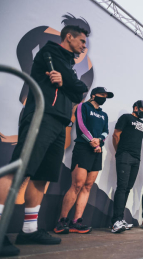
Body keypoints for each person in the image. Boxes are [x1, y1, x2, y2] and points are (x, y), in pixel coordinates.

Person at [0, 25, 88, 256]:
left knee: (42, 177)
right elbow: (75, 86)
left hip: (59, 123)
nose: (83, 46)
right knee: (18, 171)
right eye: (81, 41)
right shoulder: (51, 52)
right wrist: (70, 84)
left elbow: (80, 91)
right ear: (68, 37)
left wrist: (68, 83)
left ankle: (29, 230)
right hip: (41, 115)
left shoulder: (68, 64)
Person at [54, 87, 113, 235]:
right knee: (77, 184)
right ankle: (62, 221)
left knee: (87, 186)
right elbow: (80, 126)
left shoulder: (104, 115)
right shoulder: (83, 106)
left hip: (97, 150)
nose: (104, 97)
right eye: (102, 95)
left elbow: (106, 132)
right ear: (93, 95)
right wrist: (91, 141)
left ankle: (76, 221)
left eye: (106, 96)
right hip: (83, 148)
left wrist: (98, 142)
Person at [110, 100, 143, 233]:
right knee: (122, 187)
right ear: (136, 108)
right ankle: (116, 221)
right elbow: (116, 135)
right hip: (125, 155)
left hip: (136, 158)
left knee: (127, 188)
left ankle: (120, 219)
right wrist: (120, 151)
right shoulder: (126, 117)